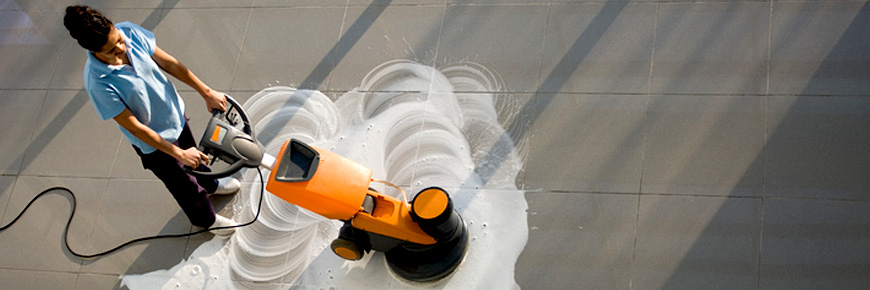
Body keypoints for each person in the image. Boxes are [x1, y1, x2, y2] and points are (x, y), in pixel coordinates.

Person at [63, 5, 239, 235]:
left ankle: (210, 184)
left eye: (118, 39)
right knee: (183, 184)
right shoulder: (97, 82)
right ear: (92, 50)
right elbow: (134, 127)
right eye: (112, 50)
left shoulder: (130, 32)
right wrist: (178, 154)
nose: (121, 47)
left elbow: (169, 63)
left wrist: (207, 92)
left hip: (174, 114)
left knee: (195, 153)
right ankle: (205, 219)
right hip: (154, 143)